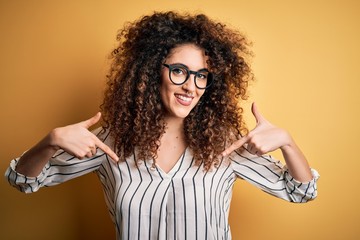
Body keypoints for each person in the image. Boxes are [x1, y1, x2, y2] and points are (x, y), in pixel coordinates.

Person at [5, 11, 319, 240]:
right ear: (152, 71)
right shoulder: (112, 141)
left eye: (201, 76)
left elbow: (300, 192)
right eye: (179, 71)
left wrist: (288, 143)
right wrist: (50, 142)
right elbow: (23, 181)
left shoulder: (226, 144)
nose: (191, 87)